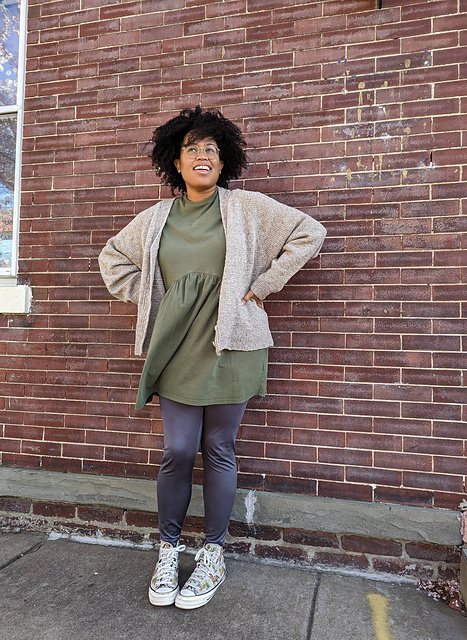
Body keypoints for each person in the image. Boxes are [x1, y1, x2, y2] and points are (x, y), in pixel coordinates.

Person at [98, 106, 327, 610]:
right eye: (192, 149)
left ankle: (214, 553)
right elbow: (112, 258)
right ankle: (168, 549)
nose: (202, 156)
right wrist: (152, 298)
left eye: (212, 150)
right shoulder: (155, 219)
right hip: (177, 347)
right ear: (175, 162)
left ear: (224, 163)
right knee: (179, 449)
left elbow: (309, 232)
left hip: (233, 345)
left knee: (219, 447)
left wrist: (263, 284)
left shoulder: (246, 208)